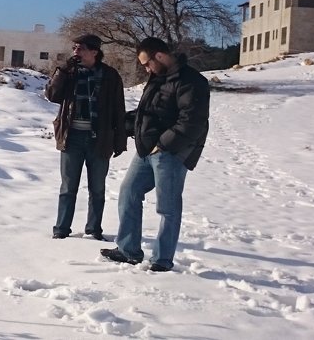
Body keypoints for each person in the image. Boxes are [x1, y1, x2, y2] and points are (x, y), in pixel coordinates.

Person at [101, 37, 209, 272]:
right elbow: (146, 113)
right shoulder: (157, 78)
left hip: (171, 153)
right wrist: (121, 123)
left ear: (159, 56)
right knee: (129, 192)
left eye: (146, 63)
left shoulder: (192, 82)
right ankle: (128, 250)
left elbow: (192, 122)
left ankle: (162, 259)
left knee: (168, 208)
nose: (145, 68)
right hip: (146, 151)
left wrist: (162, 145)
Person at [45, 34, 128, 240]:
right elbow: (52, 95)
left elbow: (119, 108)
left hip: (99, 139)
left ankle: (93, 229)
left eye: (80, 48)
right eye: (74, 47)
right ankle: (61, 229)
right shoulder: (69, 72)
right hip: (71, 137)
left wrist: (119, 139)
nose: (76, 51)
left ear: (94, 52)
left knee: (97, 188)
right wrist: (63, 70)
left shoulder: (110, 75)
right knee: (68, 187)